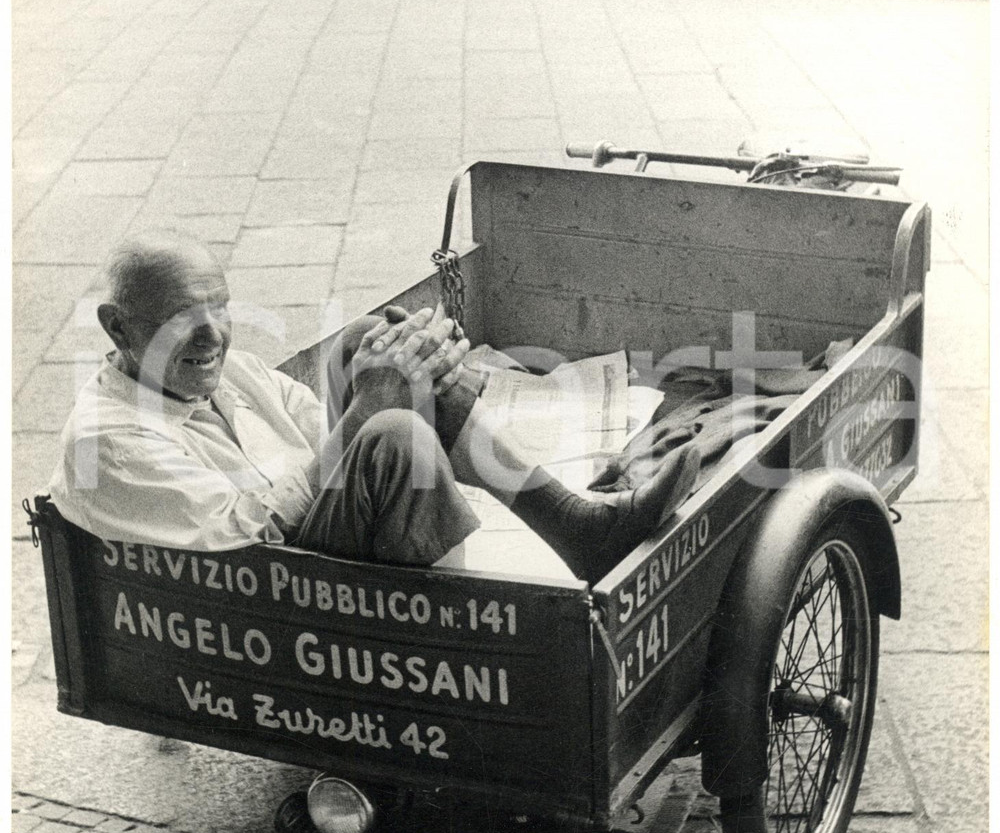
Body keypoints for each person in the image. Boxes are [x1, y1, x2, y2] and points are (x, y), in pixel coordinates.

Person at [49, 229, 700, 584]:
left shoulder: (228, 370)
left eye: (219, 309)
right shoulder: (105, 441)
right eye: (180, 319)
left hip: (300, 521)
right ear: (116, 327)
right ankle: (466, 634)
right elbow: (247, 534)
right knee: (393, 437)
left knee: (370, 339)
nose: (212, 335)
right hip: (267, 576)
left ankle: (576, 526)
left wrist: (400, 371)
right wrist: (375, 409)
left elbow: (313, 433)